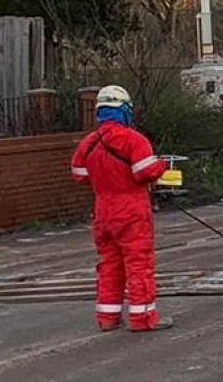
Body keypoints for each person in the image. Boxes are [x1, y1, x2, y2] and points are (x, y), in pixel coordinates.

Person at [70, 85, 171, 332]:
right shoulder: (134, 140)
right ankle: (143, 318)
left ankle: (108, 318)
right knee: (139, 263)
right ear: (125, 110)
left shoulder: (88, 143)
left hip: (103, 211)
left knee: (110, 264)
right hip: (131, 210)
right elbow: (144, 172)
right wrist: (162, 167)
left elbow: (79, 174)